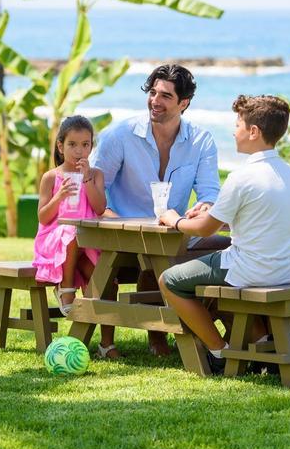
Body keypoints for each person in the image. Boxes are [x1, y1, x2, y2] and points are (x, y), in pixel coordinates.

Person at [158, 95, 290, 375]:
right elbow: (257, 215)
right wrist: (211, 211)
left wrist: (175, 221)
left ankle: (219, 351)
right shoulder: (288, 173)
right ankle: (259, 343)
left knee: (170, 280)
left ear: (253, 131)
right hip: (287, 269)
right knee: (206, 271)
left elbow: (205, 230)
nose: (233, 131)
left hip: (251, 269)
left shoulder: (242, 176)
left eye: (237, 125)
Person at [92, 64, 224, 355]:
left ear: (183, 103)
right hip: (119, 233)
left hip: (170, 234)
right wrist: (115, 220)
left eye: (165, 96)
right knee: (155, 256)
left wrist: (205, 206)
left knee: (227, 249)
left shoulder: (201, 140)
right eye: (152, 93)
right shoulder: (120, 135)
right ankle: (162, 336)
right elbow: (95, 188)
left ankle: (216, 330)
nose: (155, 101)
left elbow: (209, 193)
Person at [33, 116, 118, 358]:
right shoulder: (51, 177)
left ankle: (107, 344)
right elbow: (43, 218)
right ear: (60, 146)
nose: (79, 151)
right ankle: (66, 286)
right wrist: (58, 196)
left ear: (91, 147)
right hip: (55, 239)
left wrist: (87, 178)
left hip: (87, 242)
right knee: (71, 231)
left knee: (106, 282)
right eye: (72, 144)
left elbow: (99, 208)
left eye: (85, 144)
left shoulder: (96, 175)